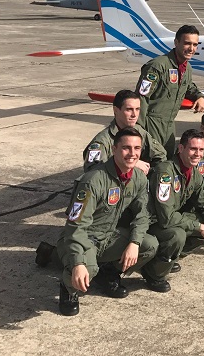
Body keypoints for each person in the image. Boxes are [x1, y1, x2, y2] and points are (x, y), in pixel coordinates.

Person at [55, 128, 159, 316]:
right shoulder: (93, 181)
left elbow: (143, 214)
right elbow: (76, 227)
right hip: (83, 238)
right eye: (126, 148)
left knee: (149, 245)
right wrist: (78, 263)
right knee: (87, 267)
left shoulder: (137, 178)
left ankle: (108, 271)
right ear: (114, 149)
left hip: (109, 236)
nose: (132, 153)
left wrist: (134, 243)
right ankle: (68, 288)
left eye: (137, 148)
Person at [146, 129, 204, 285]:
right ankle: (154, 274)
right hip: (151, 222)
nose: (198, 154)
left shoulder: (192, 172)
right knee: (178, 234)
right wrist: (200, 227)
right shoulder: (165, 173)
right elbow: (165, 217)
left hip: (167, 218)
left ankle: (172, 255)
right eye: (193, 149)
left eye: (201, 150)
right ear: (181, 149)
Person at [136, 24, 204, 157]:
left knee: (166, 164)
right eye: (187, 43)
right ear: (176, 42)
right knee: (149, 162)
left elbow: (188, 86)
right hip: (151, 124)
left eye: (195, 44)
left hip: (169, 126)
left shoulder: (186, 68)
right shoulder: (157, 66)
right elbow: (141, 97)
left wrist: (200, 96)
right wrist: (139, 130)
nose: (191, 48)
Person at [82, 89, 166, 174]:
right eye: (129, 109)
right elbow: (93, 172)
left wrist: (151, 176)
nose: (134, 115)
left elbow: (160, 155)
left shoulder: (139, 131)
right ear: (116, 110)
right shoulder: (101, 143)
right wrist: (131, 163)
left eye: (137, 109)